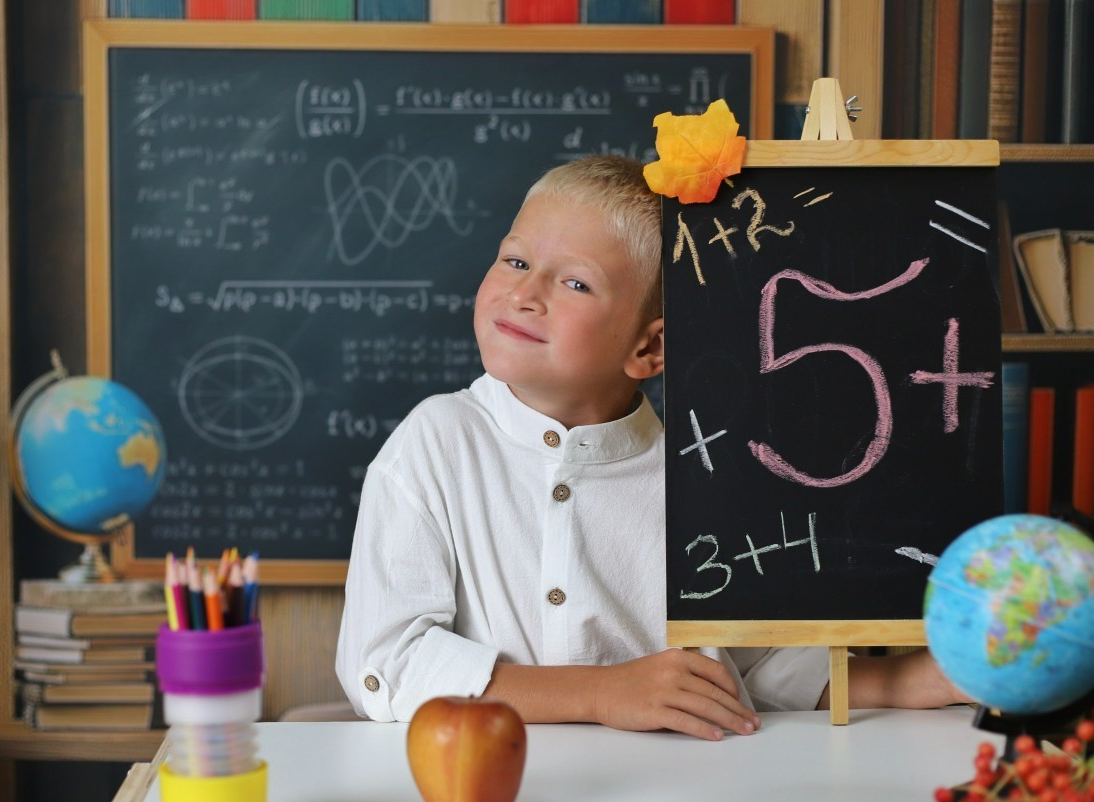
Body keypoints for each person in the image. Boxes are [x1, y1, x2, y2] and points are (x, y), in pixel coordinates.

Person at [335, 154, 966, 741]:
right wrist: (600, 693)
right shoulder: (436, 443)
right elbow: (383, 663)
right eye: (516, 261)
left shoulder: (705, 476)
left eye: (576, 285)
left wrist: (906, 680)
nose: (525, 294)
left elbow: (766, 667)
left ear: (651, 349)